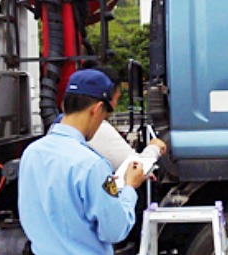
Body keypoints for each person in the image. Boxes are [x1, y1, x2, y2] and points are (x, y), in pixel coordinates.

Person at [19, 69, 146, 255]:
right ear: (97, 109)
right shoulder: (93, 166)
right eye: (105, 117)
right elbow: (115, 230)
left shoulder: (31, 153)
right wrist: (129, 188)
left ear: (64, 105)